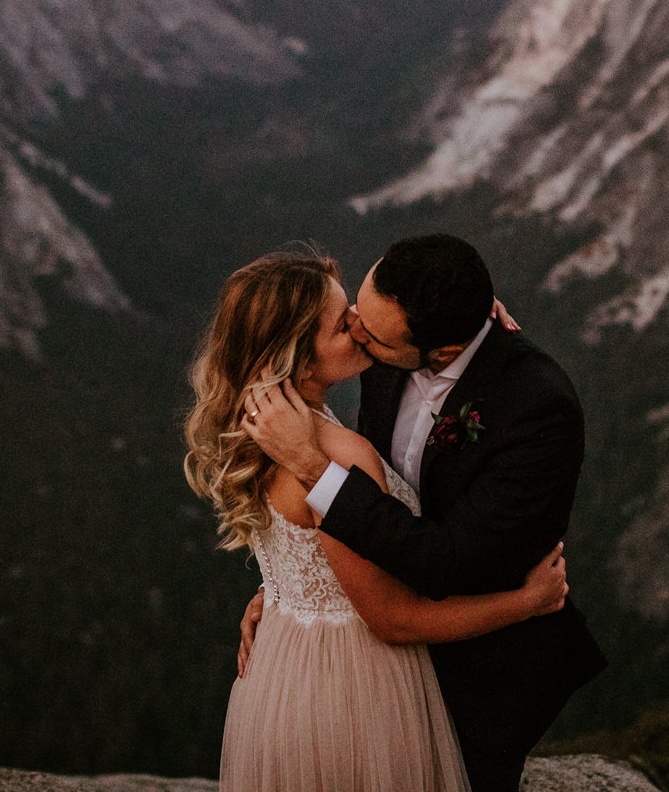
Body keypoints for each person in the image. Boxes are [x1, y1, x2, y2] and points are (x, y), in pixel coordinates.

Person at [184, 248, 569, 792]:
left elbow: (311, 543)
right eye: (346, 323)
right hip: (355, 689)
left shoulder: (265, 425)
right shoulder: (335, 455)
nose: (362, 328)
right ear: (300, 360)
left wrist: (473, 316)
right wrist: (528, 601)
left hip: (281, 679)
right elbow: (392, 619)